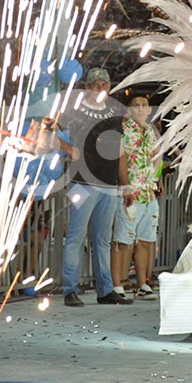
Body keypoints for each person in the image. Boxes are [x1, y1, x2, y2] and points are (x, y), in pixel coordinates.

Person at [61, 67, 134, 307]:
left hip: (108, 184)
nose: (101, 89)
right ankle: (70, 289)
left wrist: (125, 185)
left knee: (103, 239)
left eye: (105, 85)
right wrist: (68, 148)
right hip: (82, 183)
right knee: (76, 236)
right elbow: (48, 130)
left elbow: (121, 152)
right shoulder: (75, 112)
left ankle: (105, 289)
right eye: (96, 85)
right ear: (89, 87)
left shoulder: (114, 113)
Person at [111, 94, 162, 301]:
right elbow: (121, 159)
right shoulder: (124, 130)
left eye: (144, 106)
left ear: (149, 110)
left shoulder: (151, 131)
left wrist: (157, 179)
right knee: (123, 239)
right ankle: (116, 285)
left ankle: (142, 284)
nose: (141, 109)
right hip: (131, 191)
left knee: (145, 240)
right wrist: (125, 186)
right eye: (136, 106)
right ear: (129, 110)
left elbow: (157, 156)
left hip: (149, 192)